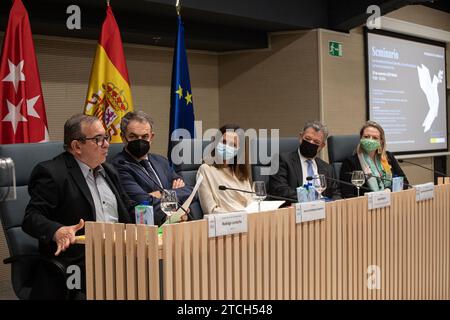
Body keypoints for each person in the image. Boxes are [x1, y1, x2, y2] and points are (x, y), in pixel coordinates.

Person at [22, 114, 135, 300]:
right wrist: (57, 230)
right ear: (76, 146)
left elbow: (128, 209)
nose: (107, 144)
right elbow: (31, 218)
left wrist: (164, 216)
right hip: (79, 265)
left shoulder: (109, 170)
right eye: (98, 139)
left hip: (119, 256)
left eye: (106, 138)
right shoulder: (53, 173)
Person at [112, 111, 196, 226]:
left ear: (152, 137)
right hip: (147, 230)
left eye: (145, 136)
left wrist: (160, 193)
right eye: (133, 136)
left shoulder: (161, 161)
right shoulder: (119, 165)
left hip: (177, 227)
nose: (140, 140)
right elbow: (143, 202)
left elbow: (190, 192)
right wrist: (176, 209)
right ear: (123, 137)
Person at [269, 120, 341, 203]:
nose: (310, 143)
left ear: (322, 146)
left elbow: (336, 193)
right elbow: (280, 190)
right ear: (300, 137)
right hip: (293, 210)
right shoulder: (282, 160)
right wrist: (310, 198)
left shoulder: (327, 168)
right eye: (307, 139)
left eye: (316, 142)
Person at [340, 120, 409, 198]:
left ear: (381, 141)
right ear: (361, 138)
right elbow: (347, 195)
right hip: (365, 206)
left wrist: (388, 190)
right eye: (366, 137)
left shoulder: (388, 157)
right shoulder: (350, 162)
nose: (370, 140)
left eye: (375, 138)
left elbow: (404, 182)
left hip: (391, 201)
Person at [197, 124, 253, 214]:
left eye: (233, 145)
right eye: (224, 142)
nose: (227, 147)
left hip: (248, 220)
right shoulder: (205, 169)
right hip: (226, 223)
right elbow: (210, 211)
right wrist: (238, 217)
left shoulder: (241, 174)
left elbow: (251, 205)